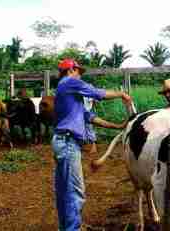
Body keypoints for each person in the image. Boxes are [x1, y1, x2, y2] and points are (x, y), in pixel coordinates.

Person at [52, 58, 131, 231]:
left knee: (64, 190)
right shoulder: (69, 83)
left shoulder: (69, 94)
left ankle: (66, 227)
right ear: (71, 70)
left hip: (63, 141)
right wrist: (120, 94)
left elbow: (89, 117)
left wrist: (117, 126)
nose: (80, 76)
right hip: (68, 143)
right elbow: (96, 93)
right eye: (79, 72)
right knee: (75, 191)